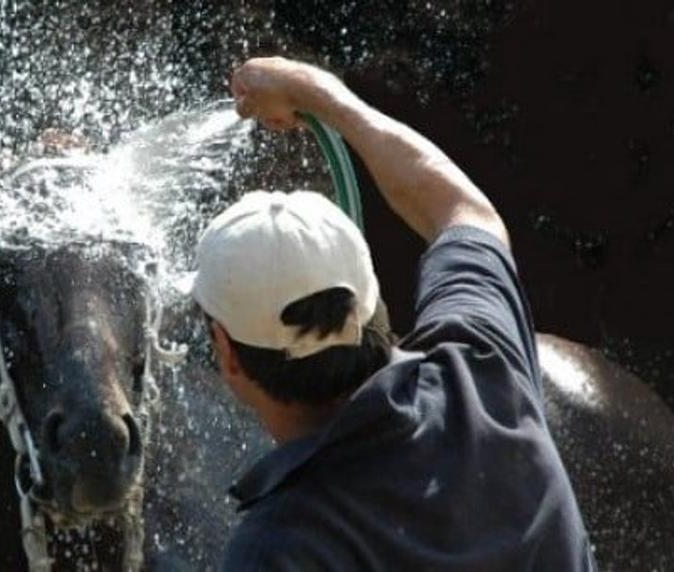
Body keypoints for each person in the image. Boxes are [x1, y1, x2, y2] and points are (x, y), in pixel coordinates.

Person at [182, 57, 597, 570]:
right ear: (371, 297)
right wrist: (322, 95)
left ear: (228, 354)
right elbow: (459, 209)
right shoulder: (484, 375)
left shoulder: (281, 549)